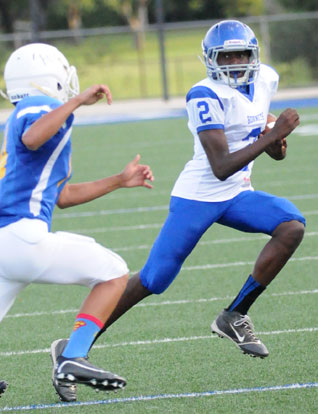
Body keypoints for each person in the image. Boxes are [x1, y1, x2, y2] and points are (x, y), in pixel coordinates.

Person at [51, 20, 306, 401]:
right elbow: (220, 165)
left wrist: (275, 139)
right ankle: (71, 350)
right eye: (227, 56)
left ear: (254, 57)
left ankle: (234, 316)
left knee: (292, 226)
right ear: (211, 61)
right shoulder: (203, 94)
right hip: (199, 196)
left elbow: (271, 148)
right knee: (154, 279)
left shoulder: (265, 79)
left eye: (242, 55)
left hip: (238, 193)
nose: (236, 62)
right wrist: (274, 132)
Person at [0, 43, 153, 402]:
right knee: (114, 271)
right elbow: (32, 135)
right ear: (50, 79)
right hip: (24, 238)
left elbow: (62, 195)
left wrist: (118, 179)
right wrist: (74, 103)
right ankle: (72, 356)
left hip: (5, 242)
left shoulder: (24, 113)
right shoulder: (43, 106)